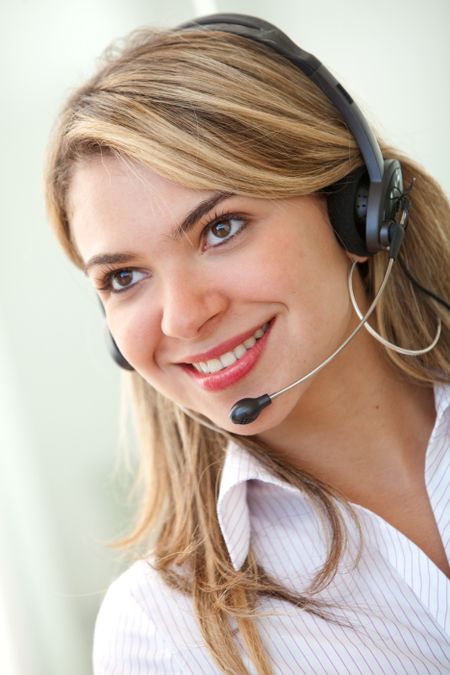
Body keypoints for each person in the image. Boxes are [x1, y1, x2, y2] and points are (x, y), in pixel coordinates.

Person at [45, 14, 449, 674]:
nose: (182, 318)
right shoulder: (162, 632)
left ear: (357, 209)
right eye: (124, 277)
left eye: (221, 227)